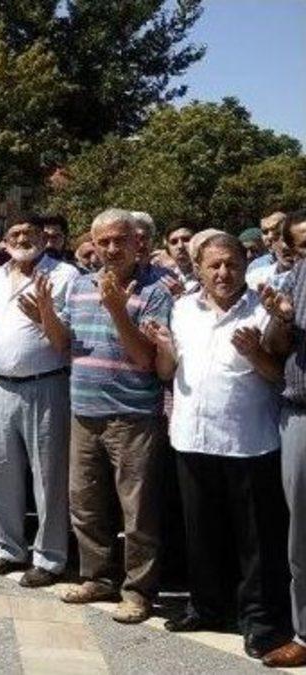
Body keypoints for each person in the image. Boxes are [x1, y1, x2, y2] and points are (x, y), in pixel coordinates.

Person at [145, 232, 293, 660]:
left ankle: (259, 620)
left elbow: (278, 375)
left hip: (249, 441)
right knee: (202, 531)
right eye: (214, 265)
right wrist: (164, 349)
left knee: (255, 540)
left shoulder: (263, 308)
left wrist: (256, 352)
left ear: (245, 265)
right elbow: (166, 372)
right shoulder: (182, 308)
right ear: (199, 269)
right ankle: (207, 606)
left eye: (231, 264)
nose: (223, 273)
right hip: (192, 438)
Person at [60, 209, 173, 624]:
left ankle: (139, 592)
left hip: (133, 415)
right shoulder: (78, 286)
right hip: (84, 411)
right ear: (93, 243)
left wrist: (118, 311)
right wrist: (44, 317)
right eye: (103, 241)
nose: (111, 249)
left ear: (136, 242)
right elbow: (65, 343)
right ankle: (97, 577)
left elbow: (146, 360)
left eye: (119, 240)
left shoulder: (156, 291)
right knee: (85, 503)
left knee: (138, 511)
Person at [0, 215, 79, 588]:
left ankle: (50, 558)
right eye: (15, 234)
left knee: (48, 477)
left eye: (29, 233)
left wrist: (43, 315)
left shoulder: (64, 275)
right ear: (4, 241)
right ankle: (8, 548)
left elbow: (64, 341)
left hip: (44, 385)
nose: (22, 239)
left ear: (43, 238)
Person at [261, 210, 306, 668]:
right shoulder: (292, 281)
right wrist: (282, 319)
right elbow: (274, 347)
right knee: (302, 533)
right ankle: (304, 633)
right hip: (300, 417)